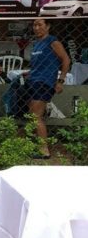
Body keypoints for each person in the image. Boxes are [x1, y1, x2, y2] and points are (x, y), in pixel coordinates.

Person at [22, 18, 70, 158]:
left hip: (44, 82)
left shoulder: (53, 42)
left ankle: (44, 150)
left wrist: (60, 80)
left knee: (36, 116)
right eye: (34, 25)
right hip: (33, 81)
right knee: (32, 115)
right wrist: (30, 73)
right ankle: (36, 145)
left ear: (48, 26)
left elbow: (66, 60)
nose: (36, 28)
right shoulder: (37, 43)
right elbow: (40, 64)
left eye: (40, 25)